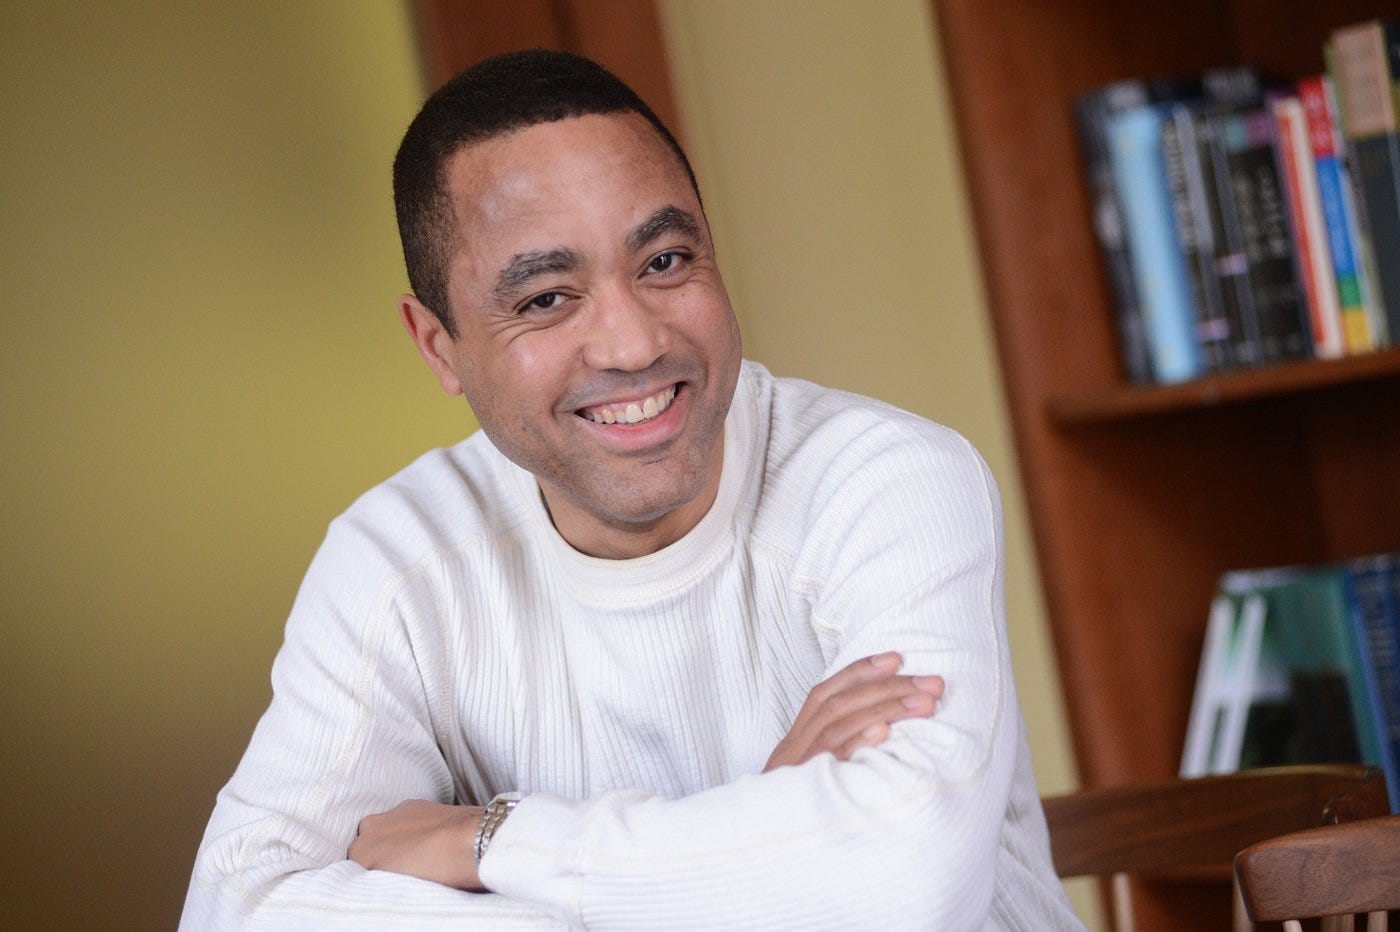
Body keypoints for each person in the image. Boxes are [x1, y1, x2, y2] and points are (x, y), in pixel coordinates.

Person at [181, 49, 1082, 930]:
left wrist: (488, 843)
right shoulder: (399, 560)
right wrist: (758, 851)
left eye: (664, 262)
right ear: (439, 347)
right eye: (545, 298)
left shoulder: (888, 481)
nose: (633, 343)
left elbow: (906, 887)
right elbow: (239, 908)